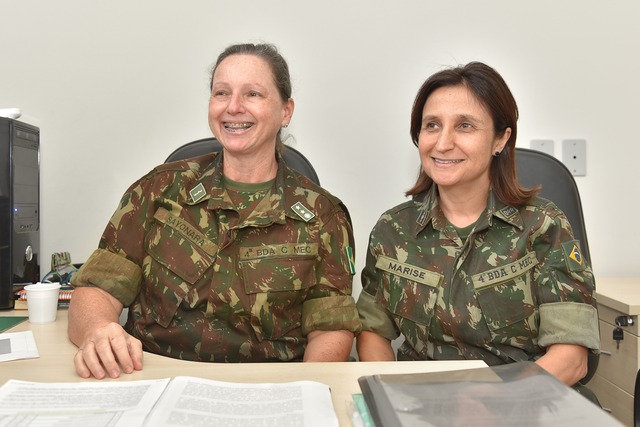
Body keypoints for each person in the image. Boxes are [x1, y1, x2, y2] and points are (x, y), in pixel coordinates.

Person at [68, 43, 361, 379]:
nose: (233, 107)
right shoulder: (159, 189)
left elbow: (331, 329)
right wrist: (98, 330)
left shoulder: (323, 216)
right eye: (222, 93)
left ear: (286, 111)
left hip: (265, 387)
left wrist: (305, 386)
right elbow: (97, 290)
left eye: (252, 94)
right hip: (151, 378)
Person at [355, 62, 599, 386]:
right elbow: (372, 332)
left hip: (523, 404)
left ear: (500, 139)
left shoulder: (543, 226)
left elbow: (571, 360)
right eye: (432, 125)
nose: (442, 143)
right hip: (423, 406)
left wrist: (492, 405)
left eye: (465, 126)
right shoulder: (392, 230)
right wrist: (393, 396)